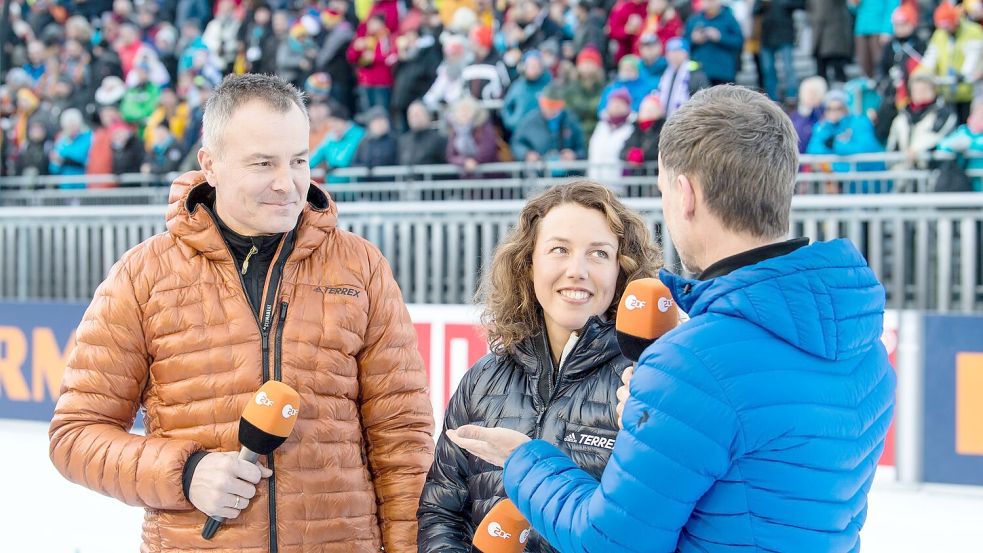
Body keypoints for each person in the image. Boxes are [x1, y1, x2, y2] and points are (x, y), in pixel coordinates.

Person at [447, 85, 896, 552]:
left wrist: (525, 459)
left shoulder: (693, 362)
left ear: (684, 194)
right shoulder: (865, 350)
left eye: (661, 189)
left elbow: (610, 541)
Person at [48, 73, 434, 552]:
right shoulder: (143, 275)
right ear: (210, 164)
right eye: (262, 163)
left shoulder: (361, 267)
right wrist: (185, 473)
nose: (286, 183)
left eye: (298, 160)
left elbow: (403, 441)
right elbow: (75, 435)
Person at [417, 181, 661, 552]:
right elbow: (441, 512)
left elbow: (647, 528)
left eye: (598, 254)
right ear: (529, 263)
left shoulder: (643, 386)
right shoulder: (481, 381)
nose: (576, 270)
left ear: (620, 271)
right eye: (559, 249)